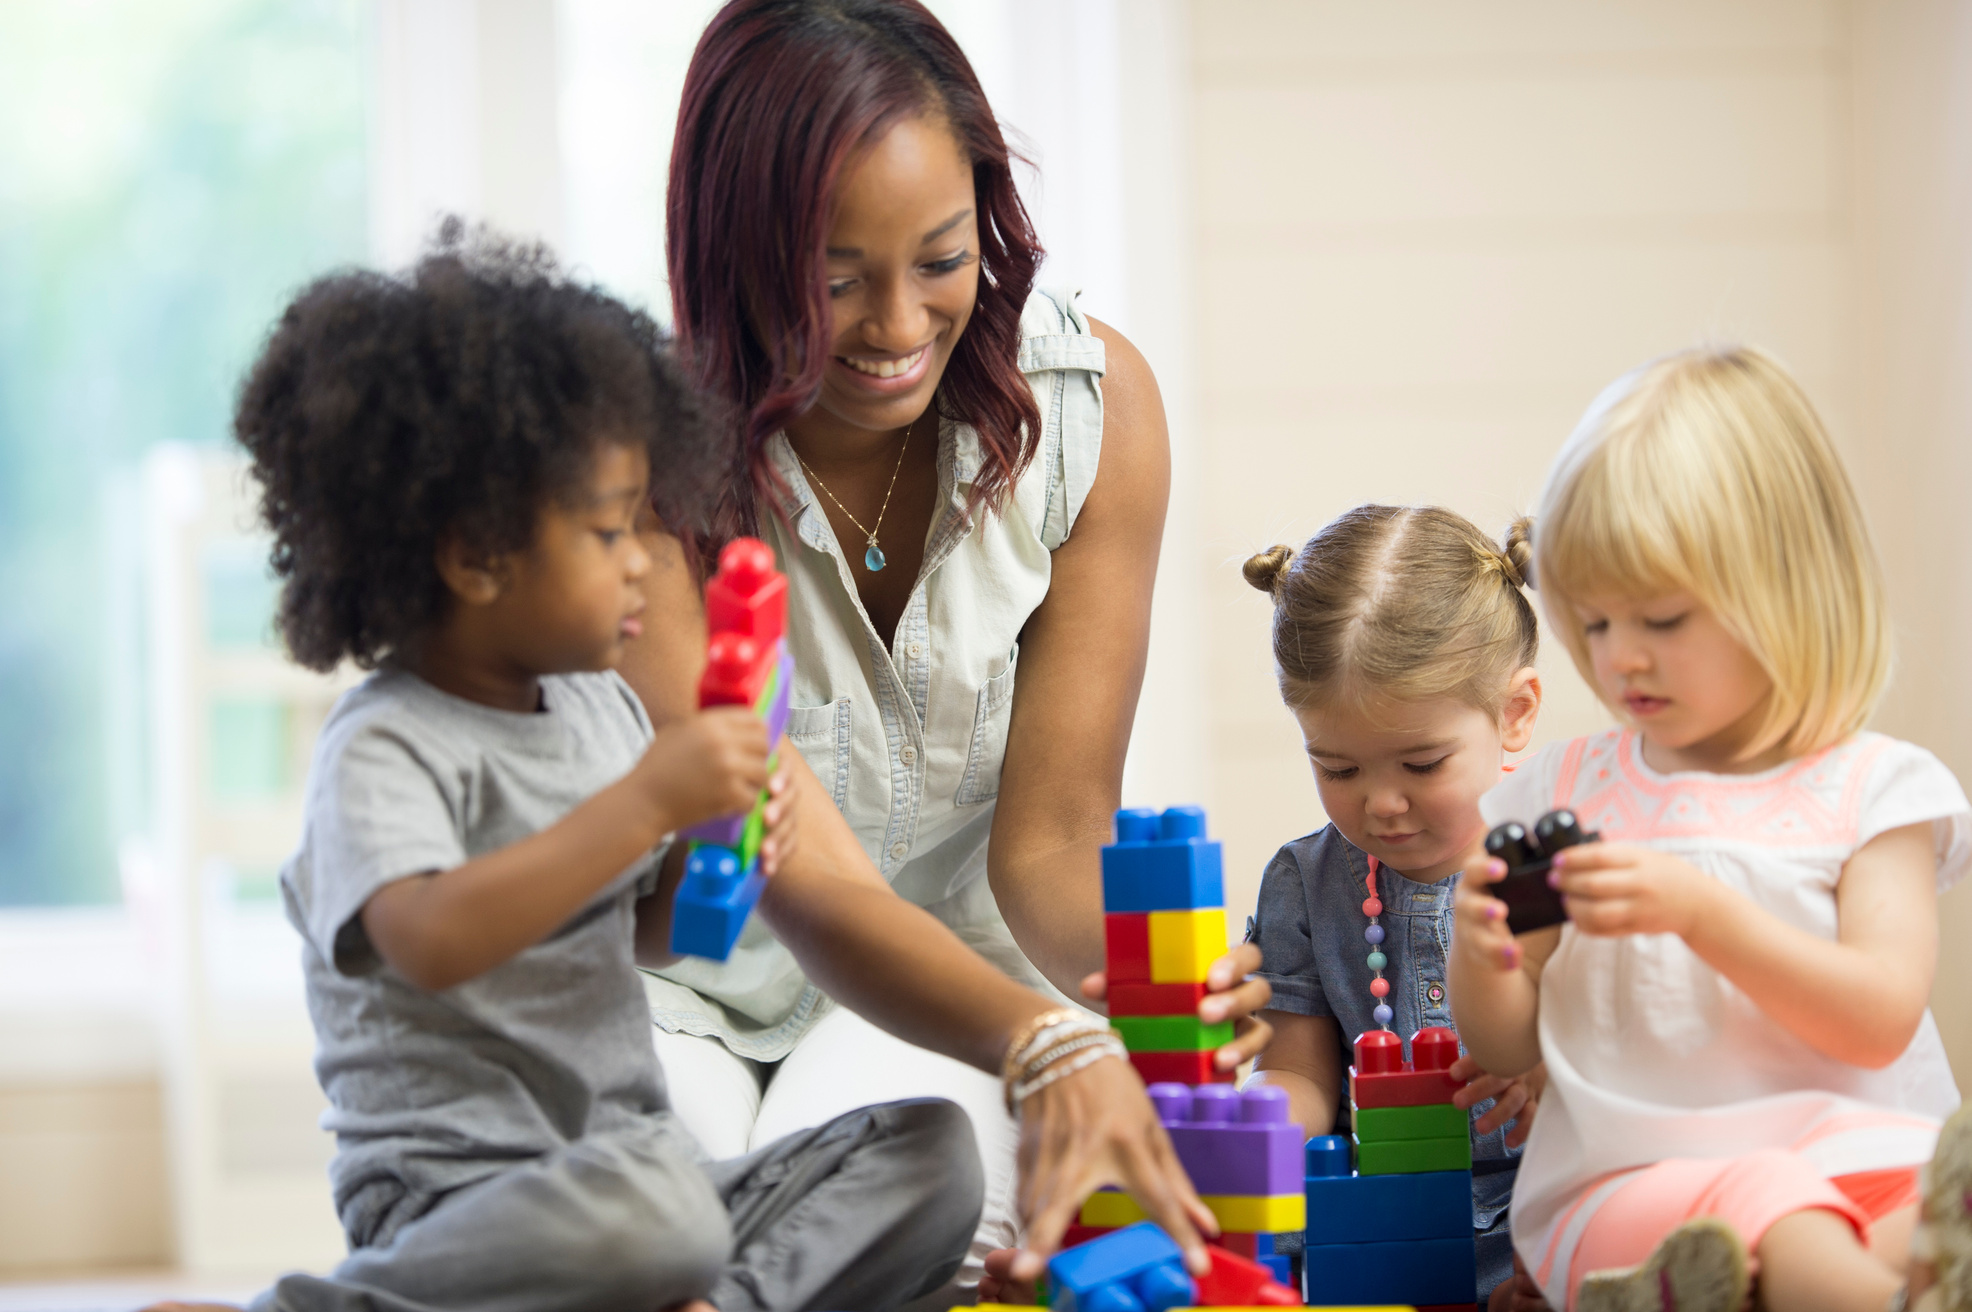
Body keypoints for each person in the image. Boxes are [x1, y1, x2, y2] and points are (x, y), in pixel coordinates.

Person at [149, 231, 1221, 1312]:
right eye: (610, 533)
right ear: (476, 557)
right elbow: (432, 942)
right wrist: (647, 802)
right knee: (647, 1220)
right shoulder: (384, 748)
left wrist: (723, 847)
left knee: (929, 1153)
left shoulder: (594, 710)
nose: (644, 561)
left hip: (636, 1169)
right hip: (463, 1201)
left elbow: (639, 929)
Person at [622, 0, 1272, 1284]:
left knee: (916, 1193)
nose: (897, 324)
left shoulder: (1090, 410)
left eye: (940, 256)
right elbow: (784, 860)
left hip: (937, 983)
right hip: (674, 982)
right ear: (734, 249)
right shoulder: (633, 458)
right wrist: (1052, 1043)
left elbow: (1048, 835)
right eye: (834, 275)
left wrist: (1143, 980)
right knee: (660, 1227)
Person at [1449, 345, 1972, 1312]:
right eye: (1595, 625)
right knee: (1780, 1207)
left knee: (1902, 1205)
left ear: (1785, 592)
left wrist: (1702, 914)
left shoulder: (1874, 791)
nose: (1622, 659)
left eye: (1661, 618)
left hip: (1859, 1154)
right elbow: (1507, 1041)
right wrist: (1487, 954)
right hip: (1628, 1187)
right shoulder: (1562, 793)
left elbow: (1877, 1018)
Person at [1237, 508, 1547, 1302]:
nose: (1382, 804)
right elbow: (1297, 1075)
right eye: (1337, 769)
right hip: (1377, 1228)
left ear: (1513, 715)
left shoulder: (1554, 867)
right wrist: (1246, 1134)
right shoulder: (1304, 883)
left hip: (1546, 1212)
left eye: (1421, 762)